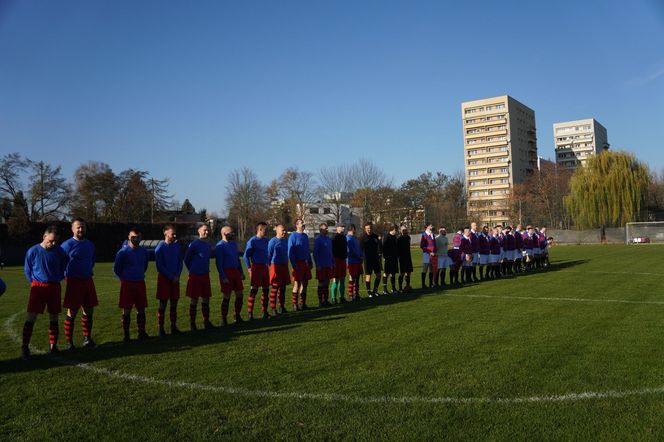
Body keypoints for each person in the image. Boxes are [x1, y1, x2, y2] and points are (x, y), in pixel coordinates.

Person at [21, 225, 68, 360]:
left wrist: (60, 276)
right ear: (44, 236)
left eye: (55, 241)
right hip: (38, 287)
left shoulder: (59, 251)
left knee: (54, 317)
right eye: (50, 241)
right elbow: (27, 270)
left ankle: (53, 346)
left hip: (54, 287)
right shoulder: (33, 251)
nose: (53, 243)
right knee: (31, 318)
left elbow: (65, 264)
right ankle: (25, 347)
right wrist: (33, 282)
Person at [61, 219, 98, 350]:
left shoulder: (90, 245)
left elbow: (92, 260)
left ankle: (87, 338)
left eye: (82, 227)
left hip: (87, 280)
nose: (81, 230)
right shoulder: (66, 245)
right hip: (73, 281)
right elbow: (60, 262)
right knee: (72, 311)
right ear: (72, 229)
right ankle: (69, 342)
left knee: (89, 310)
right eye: (78, 227)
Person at [113, 227, 149, 343]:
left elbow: (145, 266)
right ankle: (126, 334)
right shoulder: (123, 252)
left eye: (138, 237)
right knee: (127, 309)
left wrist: (138, 274)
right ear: (129, 237)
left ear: (141, 237)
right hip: (127, 284)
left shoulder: (143, 251)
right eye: (133, 237)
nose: (136, 239)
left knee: (141, 308)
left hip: (140, 282)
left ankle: (141, 332)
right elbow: (117, 269)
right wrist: (124, 278)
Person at [183, 224, 214, 331]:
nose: (207, 232)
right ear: (199, 231)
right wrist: (190, 272)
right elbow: (186, 260)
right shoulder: (194, 244)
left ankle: (206, 321)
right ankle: (192, 323)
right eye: (205, 230)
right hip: (195, 275)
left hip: (205, 274)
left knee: (206, 298)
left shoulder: (208, 245)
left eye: (208, 230)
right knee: (194, 299)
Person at [154, 224, 183, 337]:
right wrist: (171, 277)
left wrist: (178, 275)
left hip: (175, 278)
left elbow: (180, 261)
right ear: (165, 234)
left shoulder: (176, 246)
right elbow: (159, 266)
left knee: (174, 303)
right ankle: (161, 328)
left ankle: (173, 326)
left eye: (175, 233)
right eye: (172, 233)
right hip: (164, 279)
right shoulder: (160, 247)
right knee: (163, 304)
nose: (175, 235)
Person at [216, 226, 245, 326]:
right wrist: (223, 277)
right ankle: (223, 319)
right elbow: (218, 264)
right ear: (224, 233)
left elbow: (237, 259)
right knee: (227, 296)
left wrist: (241, 272)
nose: (233, 234)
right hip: (226, 273)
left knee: (240, 294)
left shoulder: (233, 244)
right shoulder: (220, 246)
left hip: (236, 272)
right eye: (230, 232)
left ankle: (237, 315)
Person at [243, 222, 270, 320]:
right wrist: (249, 268)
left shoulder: (266, 240)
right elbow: (246, 256)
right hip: (256, 268)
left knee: (266, 290)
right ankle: (250, 313)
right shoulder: (252, 241)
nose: (266, 232)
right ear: (260, 230)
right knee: (254, 290)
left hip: (264, 267)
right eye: (265, 230)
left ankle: (265, 311)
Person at [288, 219, 312, 310]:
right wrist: (294, 265)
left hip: (305, 263)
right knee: (297, 283)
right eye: (302, 223)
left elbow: (307, 250)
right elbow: (291, 252)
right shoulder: (293, 236)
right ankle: (295, 304)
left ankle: (303, 303)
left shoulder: (305, 236)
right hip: (298, 263)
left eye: (303, 222)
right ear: (297, 225)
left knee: (305, 283)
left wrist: (309, 261)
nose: (304, 224)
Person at [268, 224, 291, 315]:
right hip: (275, 266)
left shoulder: (286, 241)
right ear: (277, 231)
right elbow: (269, 255)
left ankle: (281, 306)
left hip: (284, 266)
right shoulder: (272, 241)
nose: (284, 232)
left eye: (285, 230)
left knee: (283, 288)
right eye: (282, 230)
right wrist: (271, 266)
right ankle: (273, 308)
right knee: (275, 288)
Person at [313, 223, 334, 307]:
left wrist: (333, 262)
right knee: (321, 283)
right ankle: (320, 301)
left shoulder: (329, 240)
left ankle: (326, 300)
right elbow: (315, 253)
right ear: (321, 230)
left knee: (327, 283)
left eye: (327, 228)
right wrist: (317, 264)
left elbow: (331, 252)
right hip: (321, 265)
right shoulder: (318, 239)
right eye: (326, 228)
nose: (327, 230)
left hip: (328, 265)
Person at [360, 222, 382, 297]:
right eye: (367, 229)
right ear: (365, 229)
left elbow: (380, 247)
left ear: (372, 228)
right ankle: (369, 292)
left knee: (379, 275)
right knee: (368, 276)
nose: (368, 230)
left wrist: (379, 241)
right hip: (367, 260)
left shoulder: (376, 236)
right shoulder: (362, 238)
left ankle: (375, 291)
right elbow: (360, 249)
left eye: (370, 228)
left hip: (375, 259)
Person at [330, 225, 347, 304]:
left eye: (344, 227)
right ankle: (333, 298)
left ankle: (341, 297)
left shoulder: (344, 237)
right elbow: (331, 250)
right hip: (336, 260)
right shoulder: (334, 238)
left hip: (343, 260)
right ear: (337, 228)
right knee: (336, 280)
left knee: (342, 279)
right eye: (341, 227)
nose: (343, 228)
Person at [346, 224, 363, 301]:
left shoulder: (355, 238)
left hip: (357, 261)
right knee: (352, 277)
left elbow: (359, 248)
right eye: (355, 229)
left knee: (357, 278)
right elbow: (351, 250)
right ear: (352, 229)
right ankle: (350, 295)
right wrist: (358, 256)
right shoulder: (348, 238)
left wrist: (361, 255)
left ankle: (356, 294)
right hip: (351, 261)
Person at [381, 224, 399, 294]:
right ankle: (385, 290)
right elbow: (384, 247)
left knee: (393, 273)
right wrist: (385, 257)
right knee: (386, 273)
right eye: (396, 230)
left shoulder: (394, 237)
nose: (396, 231)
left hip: (394, 258)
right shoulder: (386, 236)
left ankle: (393, 288)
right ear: (393, 229)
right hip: (388, 258)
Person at [419, 223, 437, 289]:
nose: (432, 226)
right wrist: (429, 252)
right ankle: (423, 284)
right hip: (427, 254)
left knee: (431, 269)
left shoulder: (432, 234)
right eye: (431, 225)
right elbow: (422, 246)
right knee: (425, 268)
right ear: (427, 227)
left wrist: (434, 251)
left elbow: (434, 245)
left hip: (433, 254)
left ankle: (430, 283)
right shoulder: (424, 235)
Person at [396, 225, 413, 292]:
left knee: (408, 272)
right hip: (402, 258)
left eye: (405, 230)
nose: (404, 231)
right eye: (403, 230)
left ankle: (407, 285)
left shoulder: (408, 237)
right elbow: (397, 249)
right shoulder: (399, 239)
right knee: (402, 273)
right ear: (401, 231)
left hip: (408, 257)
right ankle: (400, 287)